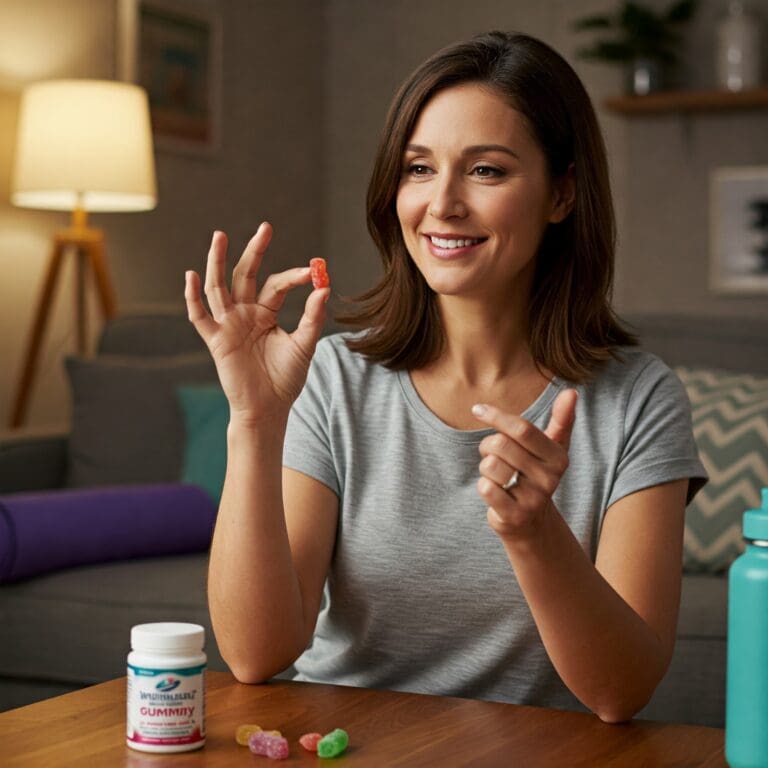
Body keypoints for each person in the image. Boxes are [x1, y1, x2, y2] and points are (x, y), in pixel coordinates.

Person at [184, 31, 707, 723]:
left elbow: (622, 692)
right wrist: (254, 422)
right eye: (418, 168)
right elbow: (257, 654)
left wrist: (533, 534)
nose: (443, 204)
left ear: (562, 193)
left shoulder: (637, 400)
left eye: (486, 171)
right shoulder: (337, 378)